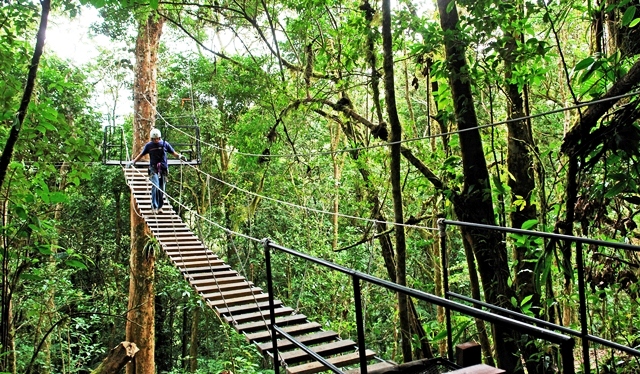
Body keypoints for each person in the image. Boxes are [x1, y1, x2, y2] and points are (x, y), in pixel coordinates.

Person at [127, 128, 186, 214]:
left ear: (159, 137)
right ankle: (154, 206)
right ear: (151, 139)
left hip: (163, 169)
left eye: (157, 138)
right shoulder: (149, 146)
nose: (155, 140)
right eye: (154, 139)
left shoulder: (165, 144)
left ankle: (160, 207)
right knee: (156, 186)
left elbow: (174, 153)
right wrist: (133, 162)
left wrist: (180, 157)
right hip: (153, 168)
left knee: (162, 189)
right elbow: (141, 154)